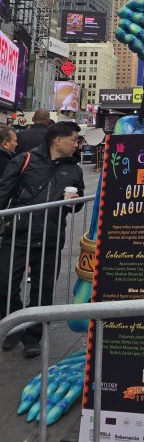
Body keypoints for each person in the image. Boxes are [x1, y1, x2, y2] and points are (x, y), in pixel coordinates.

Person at [0, 121, 84, 357]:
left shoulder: (74, 169)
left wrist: (73, 201)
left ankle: (31, 337)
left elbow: (76, 207)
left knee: (43, 291)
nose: (77, 144)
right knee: (4, 285)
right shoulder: (23, 160)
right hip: (17, 236)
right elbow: (3, 194)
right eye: (74, 139)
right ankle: (14, 325)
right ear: (58, 140)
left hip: (50, 237)